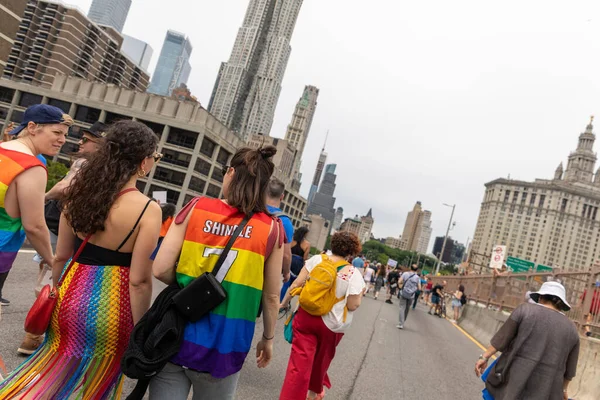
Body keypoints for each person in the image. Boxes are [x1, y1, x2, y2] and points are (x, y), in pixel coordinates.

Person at [0, 120, 162, 398]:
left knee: (51, 373)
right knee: (96, 386)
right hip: (114, 308)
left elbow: (61, 256)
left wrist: (58, 291)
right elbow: (139, 281)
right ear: (143, 162)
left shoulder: (79, 195)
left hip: (70, 296)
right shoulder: (148, 210)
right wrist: (140, 327)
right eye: (155, 157)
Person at [150, 146, 284, 400]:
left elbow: (160, 268)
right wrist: (267, 338)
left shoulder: (196, 208)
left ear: (231, 173)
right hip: (226, 343)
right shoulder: (272, 230)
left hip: (177, 332)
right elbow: (271, 297)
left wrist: (188, 287)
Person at [18, 121, 108, 355]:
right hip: (72, 228)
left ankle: (34, 335)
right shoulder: (104, 169)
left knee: (51, 279)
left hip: (61, 224)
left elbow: (64, 187)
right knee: (53, 280)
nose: (81, 141)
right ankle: (34, 336)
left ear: (99, 144)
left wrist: (45, 197)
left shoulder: (84, 164)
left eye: (87, 139)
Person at [0, 105, 73, 307]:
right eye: (56, 132)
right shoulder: (32, 167)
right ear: (32, 127)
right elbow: (34, 225)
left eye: (64, 134)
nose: (62, 140)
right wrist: (52, 260)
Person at [279, 231, 365, 400]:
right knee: (321, 362)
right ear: (352, 252)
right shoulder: (353, 273)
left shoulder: (317, 260)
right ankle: (312, 394)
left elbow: (297, 283)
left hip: (306, 315)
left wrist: (283, 303)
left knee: (298, 366)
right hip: (332, 325)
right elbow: (353, 305)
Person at [475, 282, 580, 400]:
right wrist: (564, 389)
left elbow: (502, 339)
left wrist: (484, 357)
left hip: (514, 378)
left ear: (540, 297)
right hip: (546, 387)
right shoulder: (572, 329)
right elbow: (570, 369)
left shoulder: (524, 310)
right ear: (561, 303)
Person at [265, 178, 293, 298]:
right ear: (282, 197)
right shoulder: (285, 221)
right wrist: (286, 272)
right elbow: (286, 255)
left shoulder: (253, 211)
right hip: (266, 273)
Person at [396, 264, 421, 329]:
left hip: (404, 293)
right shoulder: (417, 277)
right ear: (417, 270)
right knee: (407, 308)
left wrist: (402, 285)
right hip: (411, 295)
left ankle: (400, 323)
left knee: (402, 308)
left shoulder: (405, 273)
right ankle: (403, 321)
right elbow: (419, 288)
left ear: (410, 268)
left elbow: (399, 281)